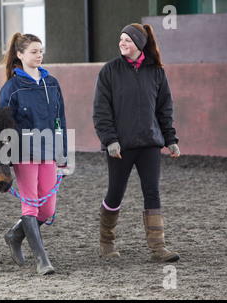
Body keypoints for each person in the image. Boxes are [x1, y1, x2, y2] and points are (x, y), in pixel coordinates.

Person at [93, 23, 180, 262]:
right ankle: (107, 243)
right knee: (115, 194)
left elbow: (164, 109)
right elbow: (101, 111)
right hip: (120, 146)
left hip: (150, 144)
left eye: (127, 40)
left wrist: (170, 139)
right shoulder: (109, 71)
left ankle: (158, 247)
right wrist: (110, 140)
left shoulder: (157, 71)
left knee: (152, 192)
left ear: (139, 44)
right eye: (121, 39)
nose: (122, 43)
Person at [0, 33, 67, 275]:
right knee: (30, 205)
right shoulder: (12, 87)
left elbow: (60, 121)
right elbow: (2, 124)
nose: (40, 55)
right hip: (23, 153)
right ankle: (42, 260)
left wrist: (63, 155)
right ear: (20, 55)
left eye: (41, 51)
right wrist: (4, 156)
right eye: (34, 52)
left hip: (48, 151)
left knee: (47, 210)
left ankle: (14, 235)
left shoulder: (52, 84)